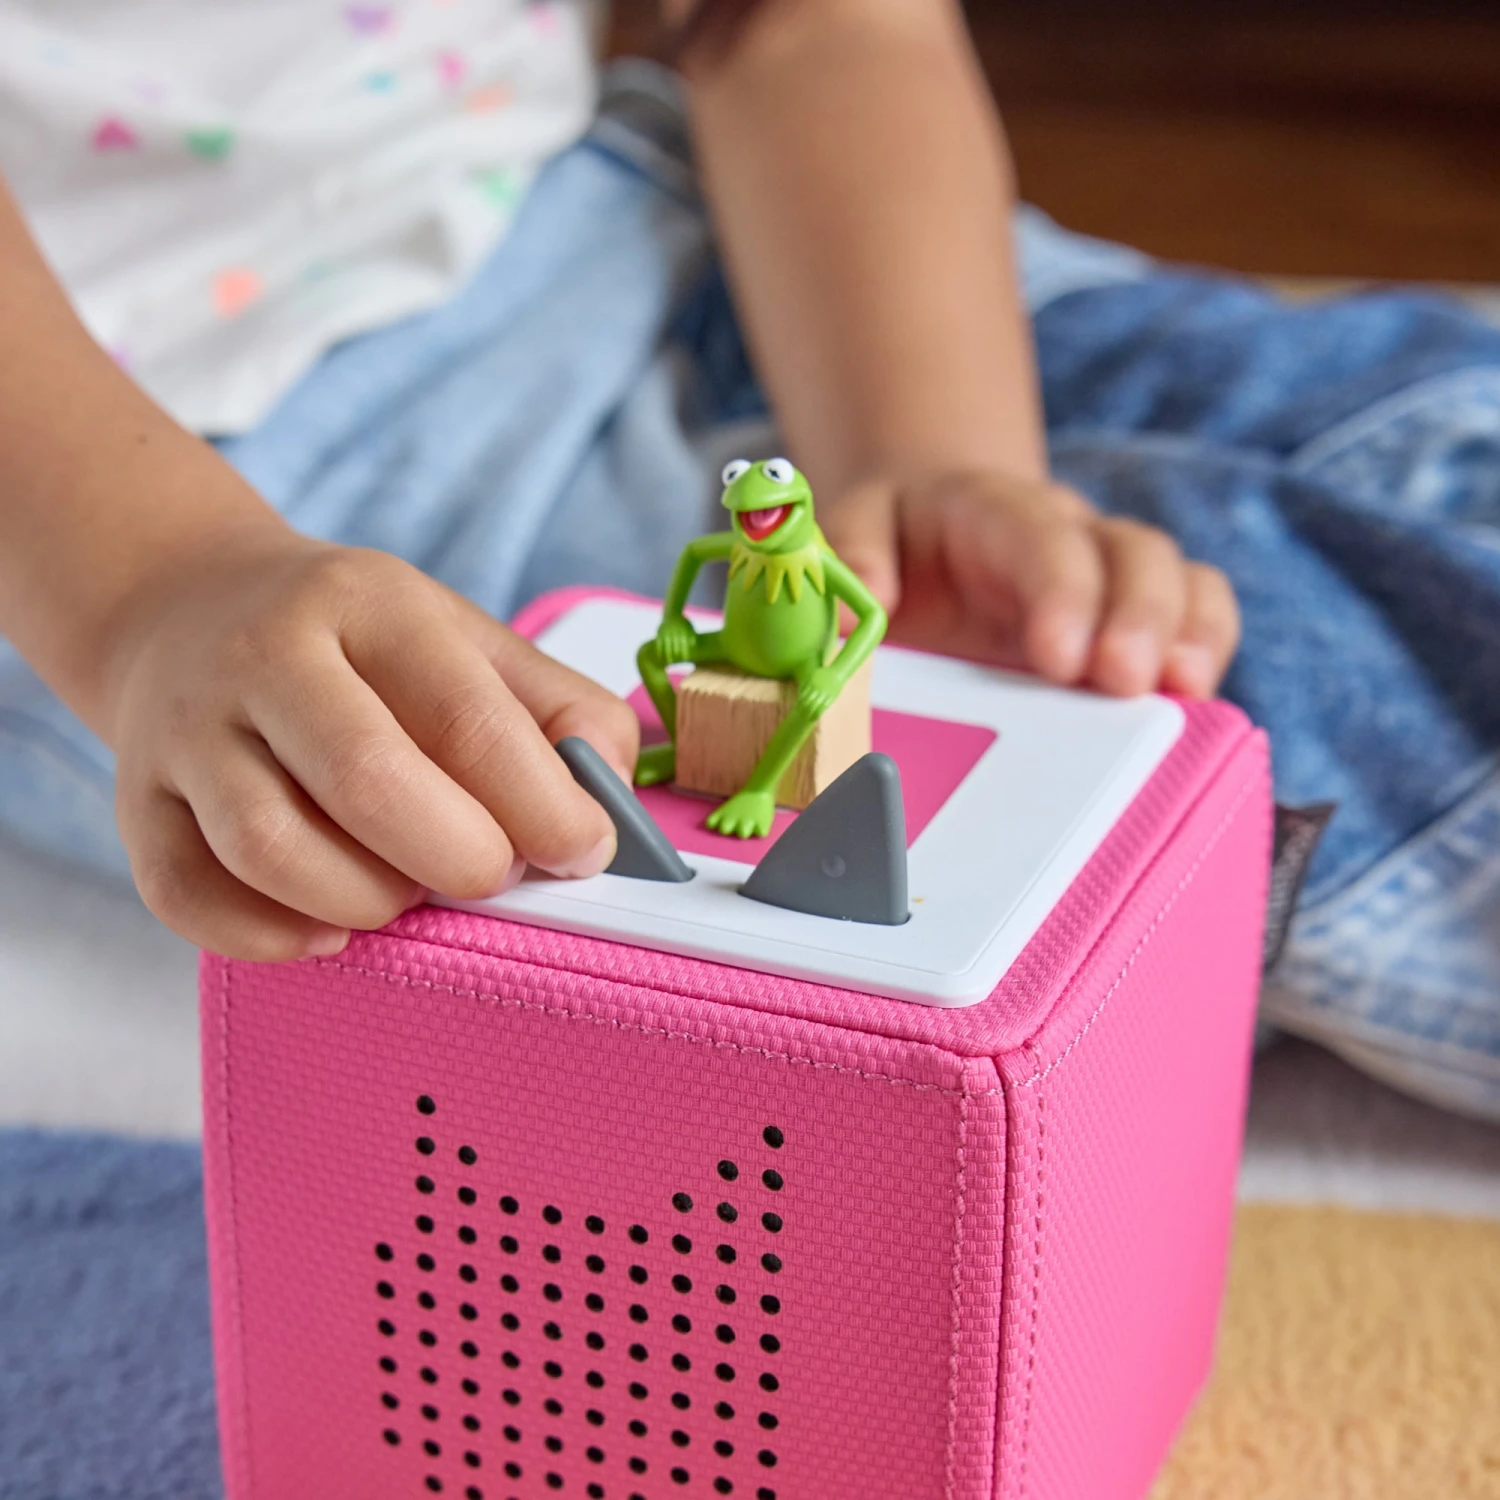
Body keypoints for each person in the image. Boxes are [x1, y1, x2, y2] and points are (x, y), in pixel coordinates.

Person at [0, 0, 1496, 1115]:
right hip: (163, 446)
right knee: (1188, 782)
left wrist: (939, 461)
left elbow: (812, 24)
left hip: (653, 199)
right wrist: (151, 596)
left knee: (1408, 428)